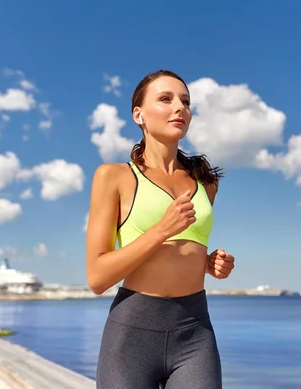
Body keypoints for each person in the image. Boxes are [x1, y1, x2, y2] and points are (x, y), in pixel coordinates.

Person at [85, 69, 236, 389]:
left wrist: (210, 262)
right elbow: (97, 278)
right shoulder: (113, 177)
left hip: (195, 331)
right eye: (165, 99)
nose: (179, 107)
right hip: (132, 334)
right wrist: (161, 230)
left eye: (185, 101)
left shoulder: (205, 182)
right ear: (138, 115)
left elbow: (186, 246)